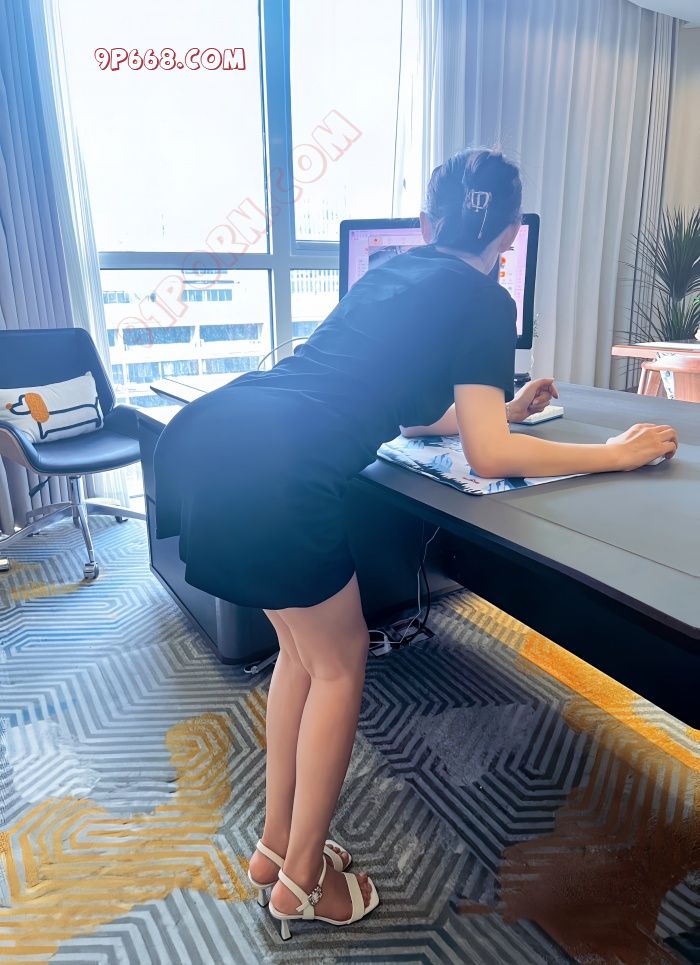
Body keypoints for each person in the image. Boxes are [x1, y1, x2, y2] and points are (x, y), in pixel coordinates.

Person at [152, 148, 678, 939]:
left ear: (427, 224)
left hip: (219, 434)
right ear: (509, 236)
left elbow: (408, 414)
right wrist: (613, 452)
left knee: (301, 654)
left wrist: (503, 411)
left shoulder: (390, 273)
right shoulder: (486, 297)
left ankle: (273, 849)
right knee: (340, 661)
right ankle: (303, 881)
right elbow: (490, 458)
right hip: (279, 468)